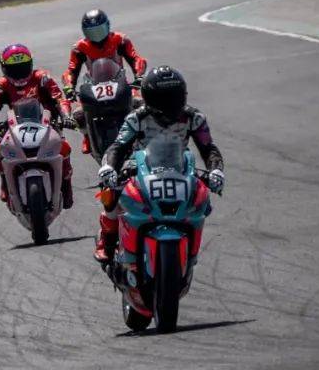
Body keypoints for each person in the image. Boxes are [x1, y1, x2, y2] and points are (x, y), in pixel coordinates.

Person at [95, 66, 225, 263]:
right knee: (111, 195)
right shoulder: (136, 118)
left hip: (179, 166)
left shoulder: (194, 118)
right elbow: (118, 146)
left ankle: (190, 250)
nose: (170, 104)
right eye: (164, 99)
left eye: (174, 97)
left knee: (202, 202)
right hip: (140, 165)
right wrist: (109, 168)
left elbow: (208, 148)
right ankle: (107, 242)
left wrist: (215, 170)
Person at [0, 44, 76, 209]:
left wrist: (66, 117)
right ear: (4, 68)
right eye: (14, 69)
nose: (19, 73)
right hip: (16, 125)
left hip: (46, 123)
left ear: (30, 64)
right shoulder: (1, 85)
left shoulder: (42, 78)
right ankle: (5, 181)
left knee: (64, 148)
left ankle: (67, 188)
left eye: (22, 68)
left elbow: (59, 98)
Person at [62, 9, 148, 153]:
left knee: (141, 104)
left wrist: (139, 76)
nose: (97, 36)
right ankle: (87, 136)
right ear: (85, 32)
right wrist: (69, 87)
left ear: (107, 26)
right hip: (94, 86)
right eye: (92, 32)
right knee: (78, 114)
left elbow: (135, 59)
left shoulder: (120, 40)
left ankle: (145, 132)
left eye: (99, 30)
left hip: (120, 83)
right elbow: (71, 70)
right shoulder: (79, 48)